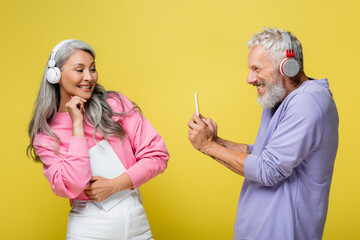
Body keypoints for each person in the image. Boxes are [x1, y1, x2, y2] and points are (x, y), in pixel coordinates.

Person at [187, 28, 339, 240]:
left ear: (287, 66)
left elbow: (269, 169)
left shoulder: (309, 102)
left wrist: (208, 146)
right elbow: (261, 156)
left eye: (257, 69)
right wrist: (214, 141)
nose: (249, 79)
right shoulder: (280, 98)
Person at [27, 39, 169, 240]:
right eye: (79, 70)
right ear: (55, 75)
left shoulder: (115, 104)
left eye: (92, 69)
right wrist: (77, 126)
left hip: (137, 224)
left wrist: (115, 185)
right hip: (88, 230)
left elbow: (157, 155)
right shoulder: (46, 133)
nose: (89, 77)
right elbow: (73, 184)